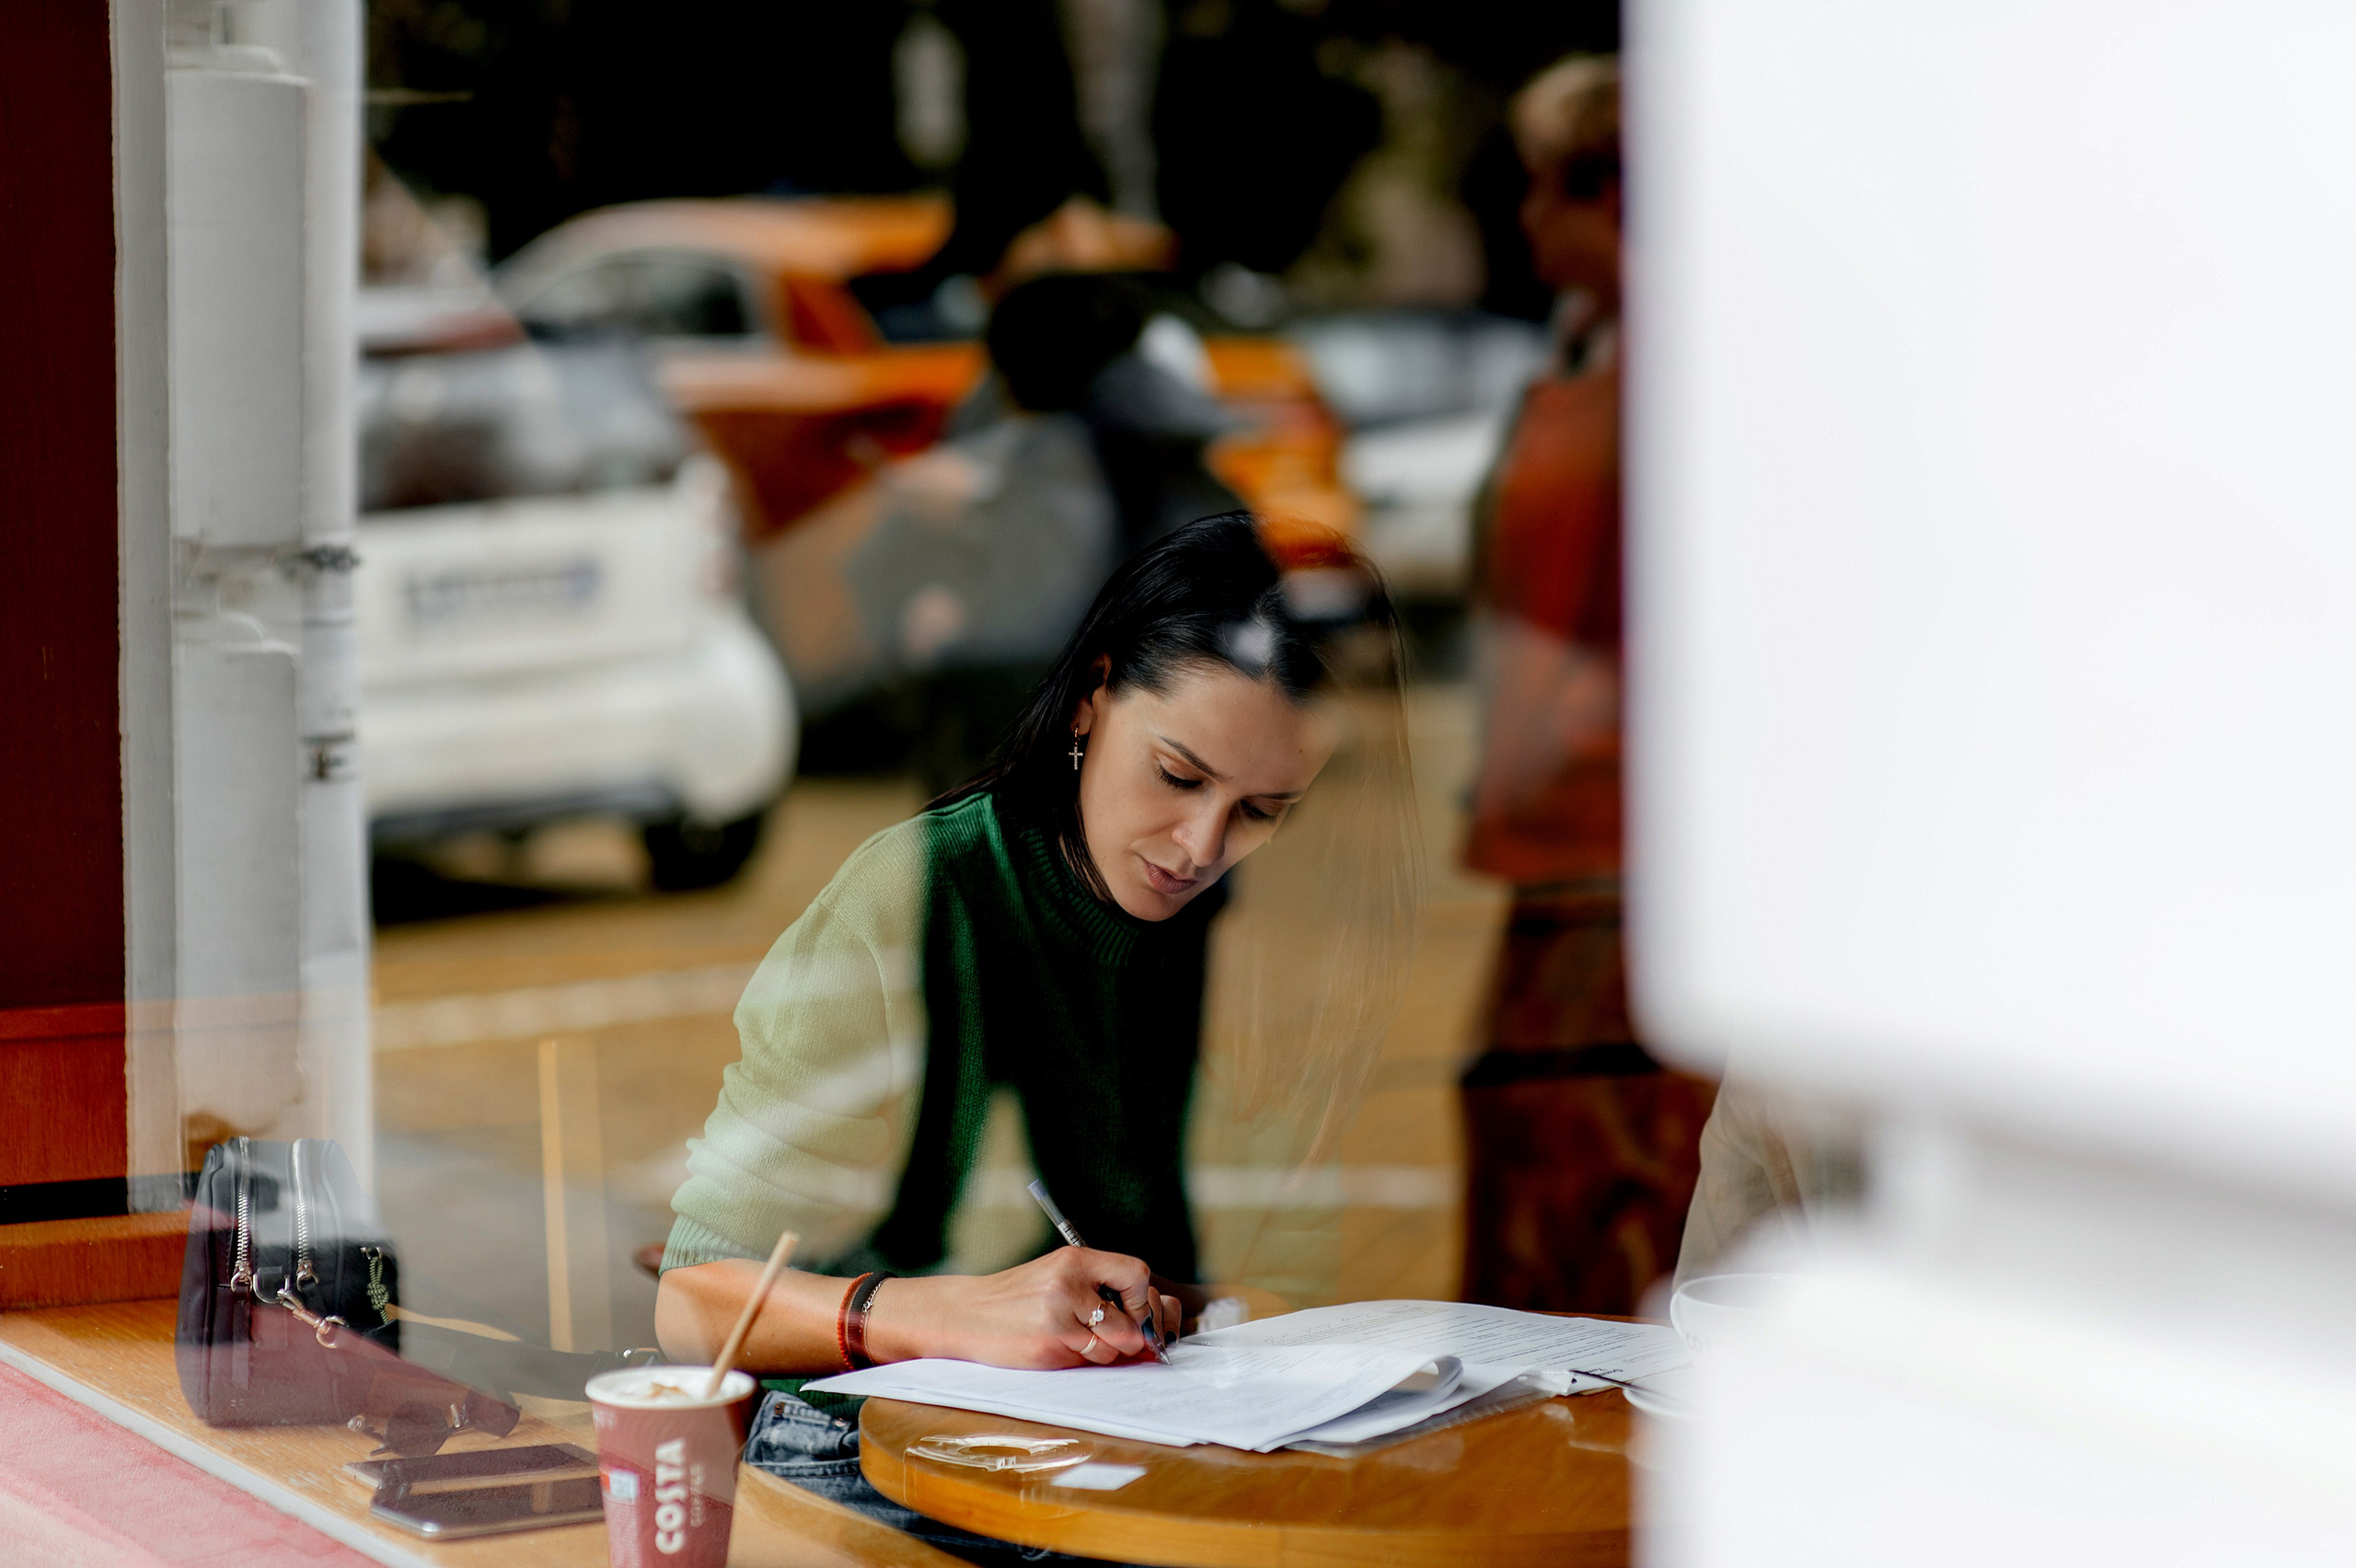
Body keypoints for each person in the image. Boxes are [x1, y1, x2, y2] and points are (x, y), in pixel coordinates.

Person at [657, 513, 1415, 1562]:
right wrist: (954, 1313)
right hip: (878, 1461)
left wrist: (1187, 1311)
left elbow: (1269, 1279)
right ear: (1093, 696)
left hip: (1153, 1442)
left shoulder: (1236, 941)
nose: (1201, 849)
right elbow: (694, 1299)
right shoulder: (919, 893)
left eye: (1262, 811)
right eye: (1178, 776)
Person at [1455, 57, 1718, 1315]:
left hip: (1630, 845)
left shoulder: (1685, 371)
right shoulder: (1598, 351)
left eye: (1537, 185)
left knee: (1612, 1185)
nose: (1520, 218)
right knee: (1546, 1179)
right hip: (1576, 837)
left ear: (1608, 190)